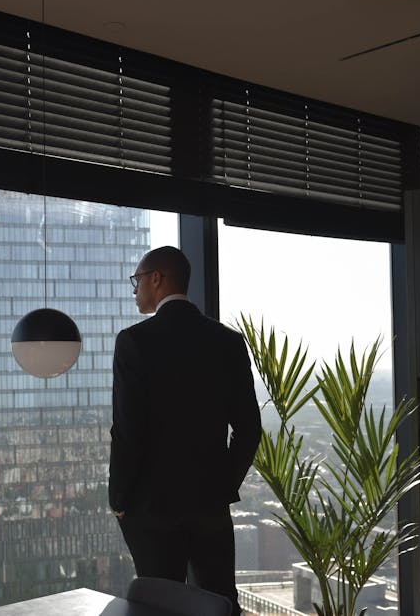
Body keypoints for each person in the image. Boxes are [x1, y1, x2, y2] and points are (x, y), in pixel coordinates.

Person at [109, 245, 261, 616]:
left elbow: (128, 432)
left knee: (161, 608)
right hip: (209, 506)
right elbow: (249, 429)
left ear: (157, 279)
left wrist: (119, 500)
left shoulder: (134, 341)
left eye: (138, 280)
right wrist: (222, 486)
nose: (135, 289)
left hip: (151, 507)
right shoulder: (228, 341)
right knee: (220, 603)